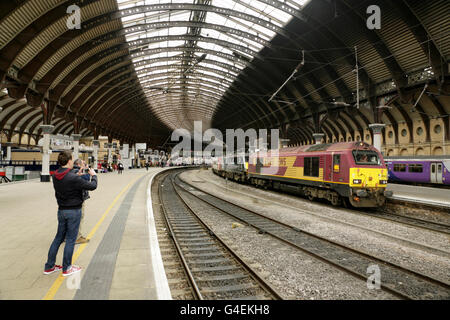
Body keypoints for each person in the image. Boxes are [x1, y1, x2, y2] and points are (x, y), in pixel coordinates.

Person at [44, 151, 97, 277]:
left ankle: (49, 266)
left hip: (61, 210)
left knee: (58, 238)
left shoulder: (55, 175)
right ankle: (67, 268)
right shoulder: (73, 178)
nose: (73, 161)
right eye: (72, 159)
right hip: (73, 211)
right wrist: (94, 175)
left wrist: (77, 175)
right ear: (68, 161)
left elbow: (67, 179)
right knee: (71, 240)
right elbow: (92, 186)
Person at [72, 159, 91, 244]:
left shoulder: (72, 170)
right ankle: (77, 237)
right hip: (79, 198)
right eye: (84, 163)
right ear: (79, 164)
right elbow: (86, 179)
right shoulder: (77, 171)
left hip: (74, 199)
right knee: (79, 217)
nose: (85, 164)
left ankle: (70, 236)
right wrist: (87, 170)